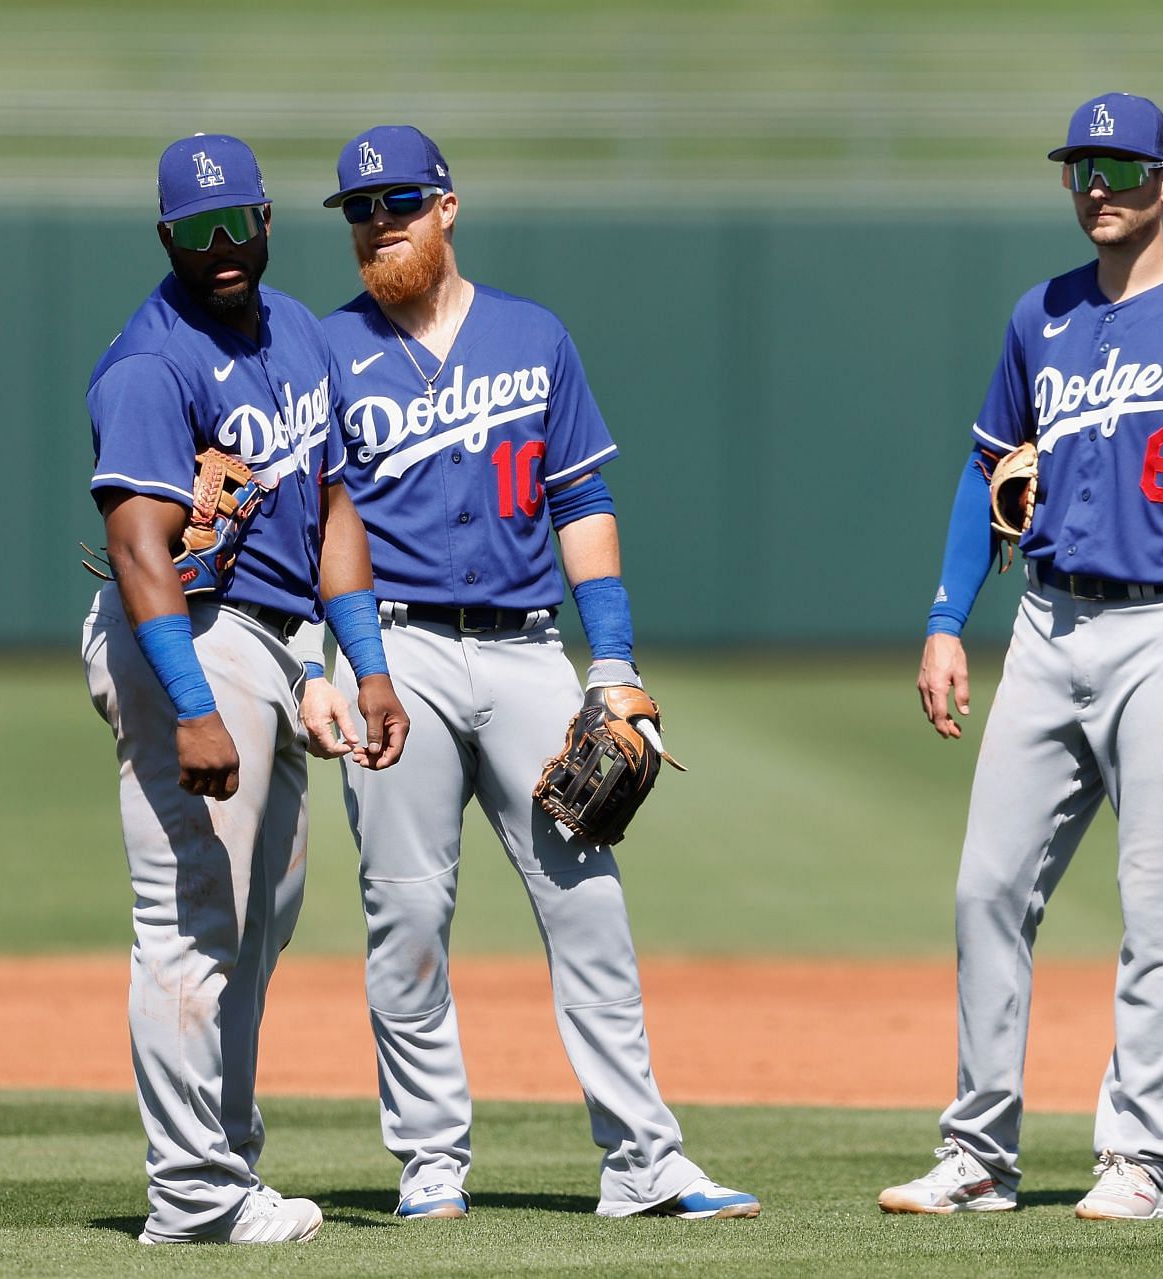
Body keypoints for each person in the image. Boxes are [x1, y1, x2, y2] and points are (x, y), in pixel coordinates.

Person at [295, 125, 759, 1223]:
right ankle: (429, 1163)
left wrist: (613, 664)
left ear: (447, 206)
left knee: (588, 904)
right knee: (406, 915)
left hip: (524, 647)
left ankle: (643, 1160)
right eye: (359, 208)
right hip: (392, 648)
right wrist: (341, 659)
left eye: (398, 201)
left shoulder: (532, 337)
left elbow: (582, 507)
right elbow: (323, 523)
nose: (378, 223)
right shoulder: (325, 349)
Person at [881, 94, 1163, 1220]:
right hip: (1050, 627)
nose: (1094, 185)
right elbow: (988, 470)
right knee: (985, 889)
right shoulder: (1041, 314)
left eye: (1116, 165)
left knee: (1159, 906)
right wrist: (945, 618)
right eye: (1078, 168)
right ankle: (978, 1155)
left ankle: (1135, 1162)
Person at [81, 133, 409, 1245]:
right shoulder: (147, 364)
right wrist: (191, 704)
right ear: (168, 235)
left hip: (273, 641)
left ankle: (223, 1157)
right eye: (197, 230)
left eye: (239, 223)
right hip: (189, 635)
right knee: (193, 917)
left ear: (268, 219)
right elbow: (137, 547)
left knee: (261, 919)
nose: (223, 248)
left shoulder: (300, 336)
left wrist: (365, 663)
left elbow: (332, 511)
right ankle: (193, 1194)